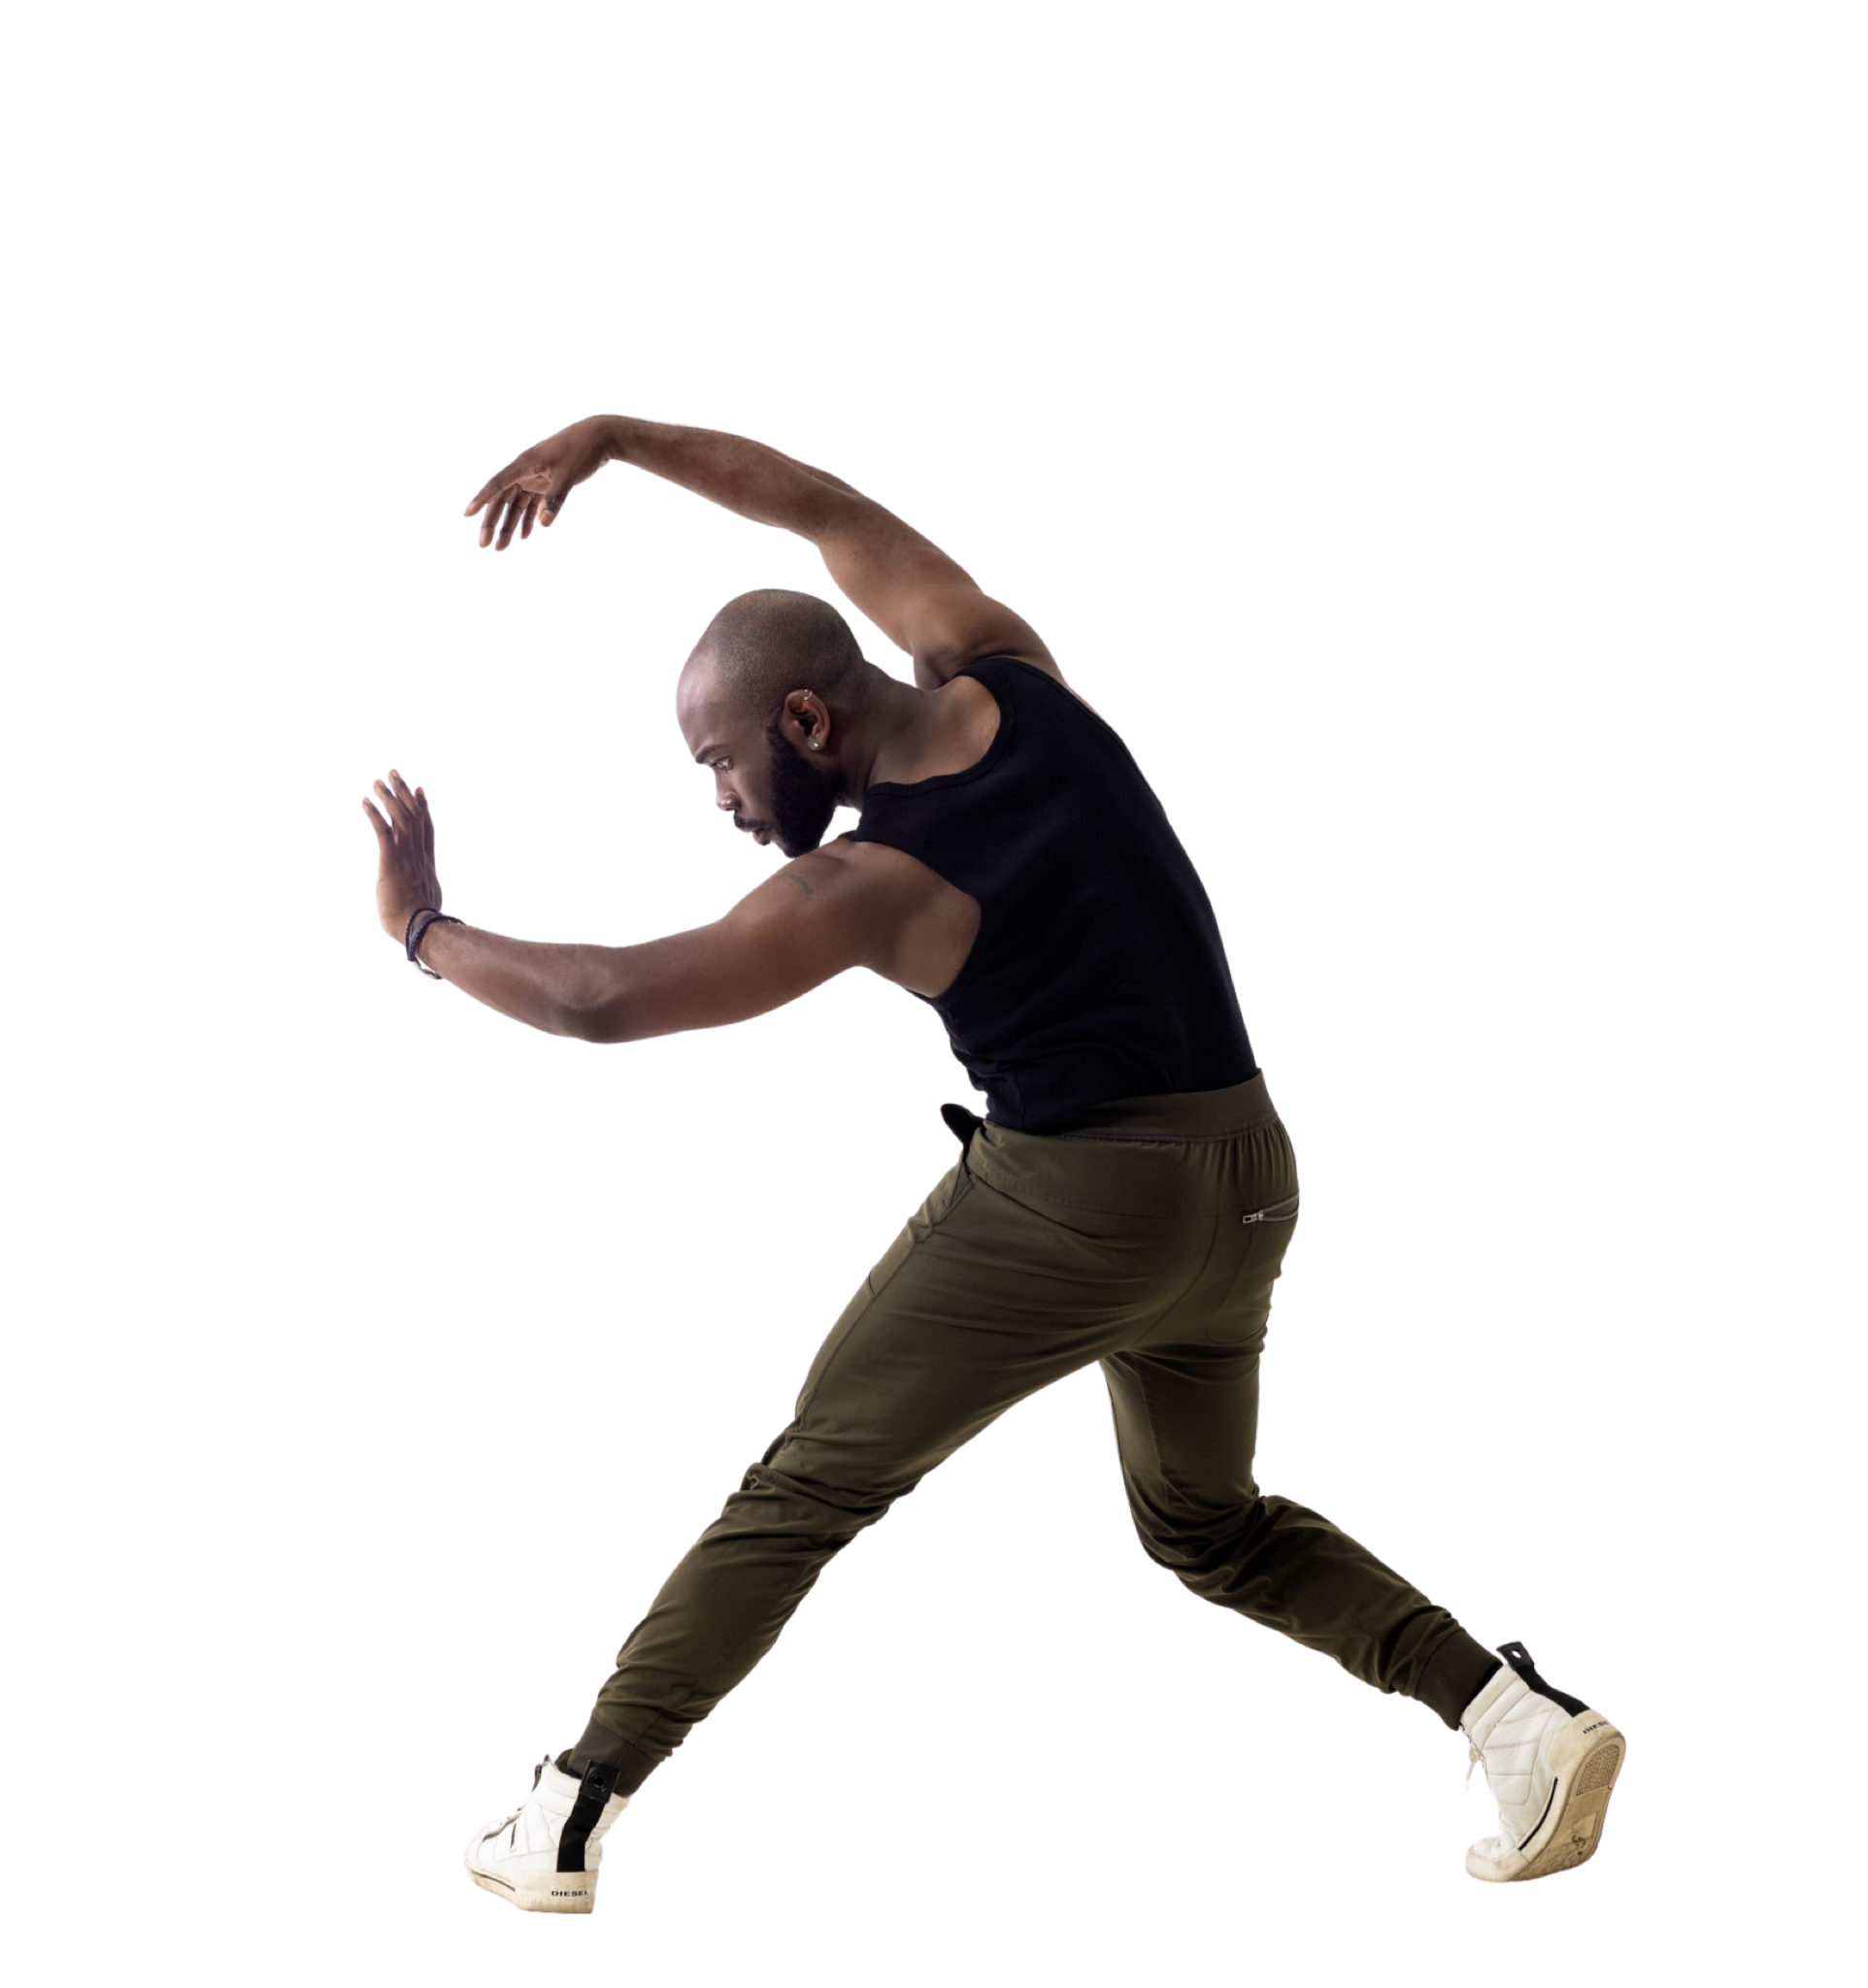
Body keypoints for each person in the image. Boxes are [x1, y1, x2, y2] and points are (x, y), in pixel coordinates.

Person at [361, 414, 1626, 1912]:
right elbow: (820, 505)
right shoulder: (1011, 672)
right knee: (1206, 1523)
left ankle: (566, 1814)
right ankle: (1511, 1719)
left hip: (1083, 1203)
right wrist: (616, 440)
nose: (723, 801)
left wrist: (424, 934)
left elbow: (602, 999)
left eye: (720, 761)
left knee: (805, 1487)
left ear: (806, 721)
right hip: (1247, 1180)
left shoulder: (869, 882)